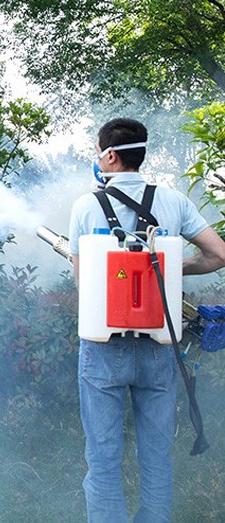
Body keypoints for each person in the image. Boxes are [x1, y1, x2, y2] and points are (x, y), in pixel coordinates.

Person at [68, 117, 225, 523]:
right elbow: (219, 254)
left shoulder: (86, 206)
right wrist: (169, 266)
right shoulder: (174, 201)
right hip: (159, 346)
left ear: (110, 156)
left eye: (98, 153)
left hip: (102, 349)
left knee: (102, 457)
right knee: (157, 456)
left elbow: (84, 283)